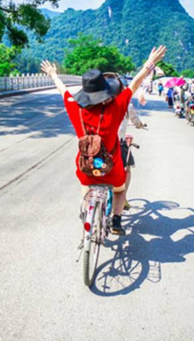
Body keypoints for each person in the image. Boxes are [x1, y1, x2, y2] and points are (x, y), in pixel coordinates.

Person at [41, 45, 167, 235]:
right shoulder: (116, 106)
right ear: (106, 93)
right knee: (119, 190)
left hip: (85, 166)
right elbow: (135, 83)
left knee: (85, 183)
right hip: (111, 168)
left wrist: (53, 74)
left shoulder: (75, 108)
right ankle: (116, 220)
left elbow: (63, 90)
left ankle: (87, 212)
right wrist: (150, 63)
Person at [119, 92, 146, 211]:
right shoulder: (126, 105)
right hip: (117, 145)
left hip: (97, 144)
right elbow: (136, 122)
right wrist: (140, 125)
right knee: (127, 169)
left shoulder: (97, 103)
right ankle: (122, 197)